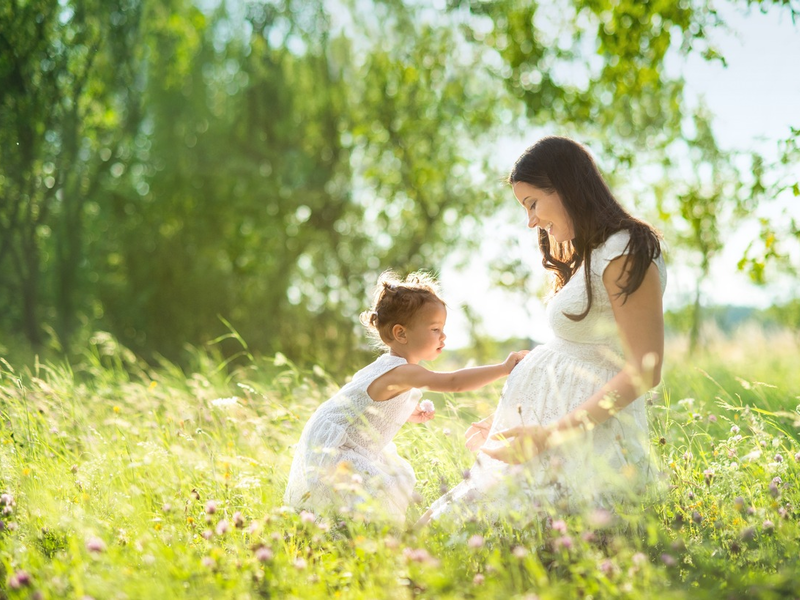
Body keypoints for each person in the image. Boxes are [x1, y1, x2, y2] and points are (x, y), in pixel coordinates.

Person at [419, 136, 667, 524]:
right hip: (553, 439)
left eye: (532, 203)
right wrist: (514, 414)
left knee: (462, 534)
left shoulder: (625, 249)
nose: (531, 220)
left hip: (581, 445)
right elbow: (575, 351)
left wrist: (549, 435)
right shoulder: (594, 253)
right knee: (442, 529)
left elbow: (644, 369)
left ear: (566, 186)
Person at [283, 270, 529, 524]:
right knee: (376, 492)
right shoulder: (401, 371)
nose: (443, 336)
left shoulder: (391, 368)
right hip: (338, 448)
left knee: (381, 490)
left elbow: (369, 406)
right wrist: (503, 368)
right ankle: (358, 538)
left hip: (342, 440)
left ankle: (356, 536)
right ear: (401, 334)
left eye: (443, 328)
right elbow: (453, 382)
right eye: (435, 329)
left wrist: (405, 411)